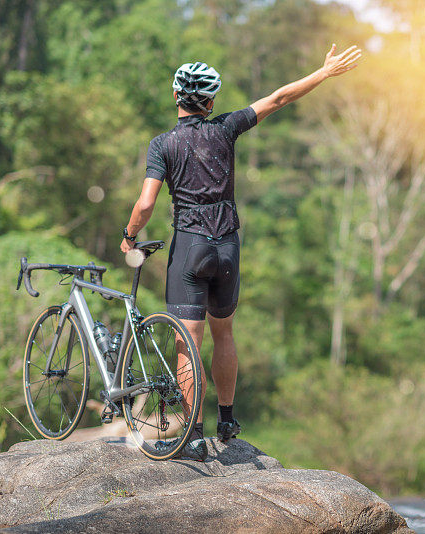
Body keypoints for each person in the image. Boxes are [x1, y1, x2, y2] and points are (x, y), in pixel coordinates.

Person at [120, 44, 362, 461]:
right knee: (224, 332)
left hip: (190, 247)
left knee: (188, 343)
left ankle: (193, 434)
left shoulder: (162, 145)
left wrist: (128, 236)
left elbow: (145, 205)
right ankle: (227, 419)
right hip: (228, 246)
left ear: (175, 97)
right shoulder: (227, 128)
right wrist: (323, 73)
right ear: (210, 101)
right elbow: (279, 98)